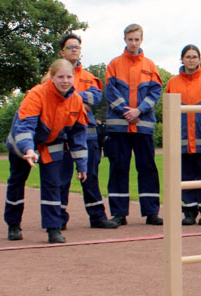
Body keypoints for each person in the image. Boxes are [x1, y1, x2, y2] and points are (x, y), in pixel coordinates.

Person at [4, 59, 88, 243]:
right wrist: (29, 149)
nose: (65, 81)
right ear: (51, 77)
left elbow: (79, 136)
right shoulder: (36, 94)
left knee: (52, 184)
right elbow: (25, 126)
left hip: (51, 144)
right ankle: (13, 224)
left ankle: (53, 228)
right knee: (17, 181)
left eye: (69, 77)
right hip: (22, 144)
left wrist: (82, 165)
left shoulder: (76, 101)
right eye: (60, 77)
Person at [104, 23, 163, 226]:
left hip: (143, 125)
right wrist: (126, 111)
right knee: (119, 168)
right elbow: (110, 91)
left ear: (141, 40)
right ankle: (119, 213)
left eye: (137, 39)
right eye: (130, 39)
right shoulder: (114, 64)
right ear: (125, 40)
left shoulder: (150, 65)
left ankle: (151, 212)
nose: (133, 43)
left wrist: (139, 111)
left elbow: (155, 92)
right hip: (119, 126)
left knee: (147, 168)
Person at [57, 33, 118, 230]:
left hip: (88, 133)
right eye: (70, 47)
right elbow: (52, 99)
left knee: (90, 176)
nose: (74, 50)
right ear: (62, 52)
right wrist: (81, 99)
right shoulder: (52, 76)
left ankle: (97, 217)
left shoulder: (89, 77)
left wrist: (69, 94)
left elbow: (95, 99)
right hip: (62, 134)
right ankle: (58, 218)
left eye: (77, 47)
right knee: (61, 178)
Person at [165, 44, 201, 225]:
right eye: (188, 56)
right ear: (182, 59)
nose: (191, 60)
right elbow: (168, 110)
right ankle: (189, 211)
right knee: (185, 176)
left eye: (194, 56)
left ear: (199, 59)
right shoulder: (173, 82)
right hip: (181, 140)